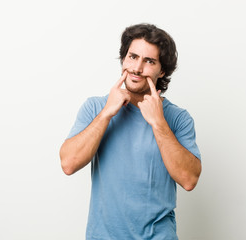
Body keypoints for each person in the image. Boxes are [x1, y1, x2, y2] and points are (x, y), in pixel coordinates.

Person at [60, 23, 202, 240]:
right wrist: (107, 113)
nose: (137, 68)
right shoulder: (96, 108)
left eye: (149, 61)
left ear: (162, 70)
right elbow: (69, 164)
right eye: (132, 57)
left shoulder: (178, 118)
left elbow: (189, 179)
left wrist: (158, 123)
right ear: (123, 59)